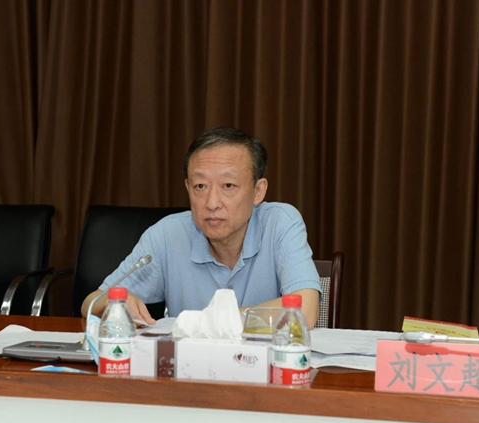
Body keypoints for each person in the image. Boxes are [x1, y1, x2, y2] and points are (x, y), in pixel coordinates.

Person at [82, 126, 321, 328]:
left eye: (228, 185)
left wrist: (216, 320)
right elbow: (90, 304)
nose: (212, 203)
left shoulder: (280, 223)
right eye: (200, 187)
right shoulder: (167, 235)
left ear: (258, 191)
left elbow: (305, 311)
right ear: (188, 189)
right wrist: (114, 303)